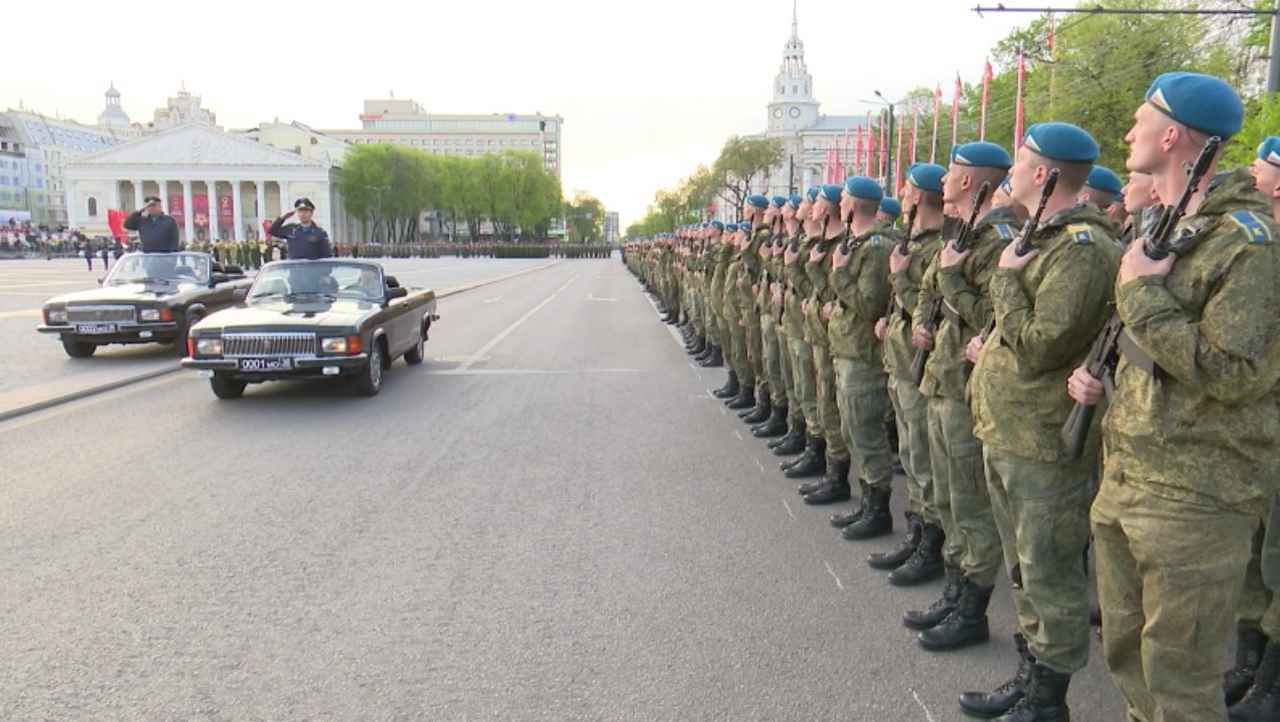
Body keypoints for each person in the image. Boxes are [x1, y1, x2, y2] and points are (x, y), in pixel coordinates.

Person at [1068, 72, 1280, 722]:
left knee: (1181, 687)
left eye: (1138, 121)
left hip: (1195, 496)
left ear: (1171, 135)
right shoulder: (1161, 226)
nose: (1127, 133)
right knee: (1129, 659)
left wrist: (1141, 295)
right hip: (1129, 476)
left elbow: (1236, 372)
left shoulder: (1249, 243)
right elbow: (1147, 342)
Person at [965, 121, 1118, 721]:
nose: (1008, 173)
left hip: (1041, 442)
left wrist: (1006, 278)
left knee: (1049, 574)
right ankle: (1030, 677)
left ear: (1041, 173)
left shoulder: (1081, 248)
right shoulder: (1042, 236)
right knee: (1025, 569)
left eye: (1019, 159)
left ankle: (1049, 700)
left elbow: (1039, 345)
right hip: (1009, 431)